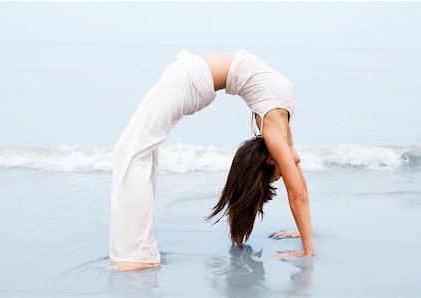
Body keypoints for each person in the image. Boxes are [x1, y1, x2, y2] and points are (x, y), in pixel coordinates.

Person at [110, 49, 313, 272]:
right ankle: (139, 251)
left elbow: (297, 184)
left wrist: (305, 240)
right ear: (270, 160)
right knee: (137, 151)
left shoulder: (276, 128)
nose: (284, 173)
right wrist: (307, 244)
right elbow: (298, 193)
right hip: (187, 80)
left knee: (131, 151)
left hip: (187, 81)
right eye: (280, 175)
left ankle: (139, 255)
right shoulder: (277, 132)